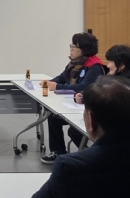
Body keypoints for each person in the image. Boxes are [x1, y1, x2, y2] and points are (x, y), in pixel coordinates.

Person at [41, 32, 107, 164]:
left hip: (88, 107)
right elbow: (62, 77)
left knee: (74, 130)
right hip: (74, 104)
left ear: (84, 49)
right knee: (54, 118)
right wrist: (49, 82)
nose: (70, 49)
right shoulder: (74, 64)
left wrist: (57, 87)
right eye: (70, 46)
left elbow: (84, 87)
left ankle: (92, 155)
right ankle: (58, 152)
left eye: (73, 47)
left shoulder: (94, 66)